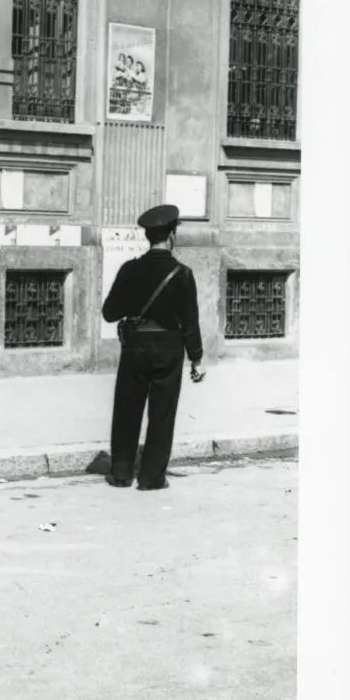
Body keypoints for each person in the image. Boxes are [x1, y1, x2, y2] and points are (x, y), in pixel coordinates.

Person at [101, 204, 206, 491]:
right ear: (172, 235)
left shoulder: (130, 269)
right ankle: (151, 478)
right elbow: (190, 323)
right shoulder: (182, 274)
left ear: (148, 236)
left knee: (127, 409)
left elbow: (109, 312)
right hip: (169, 348)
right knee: (162, 413)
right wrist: (196, 359)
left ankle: (121, 473)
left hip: (135, 346)